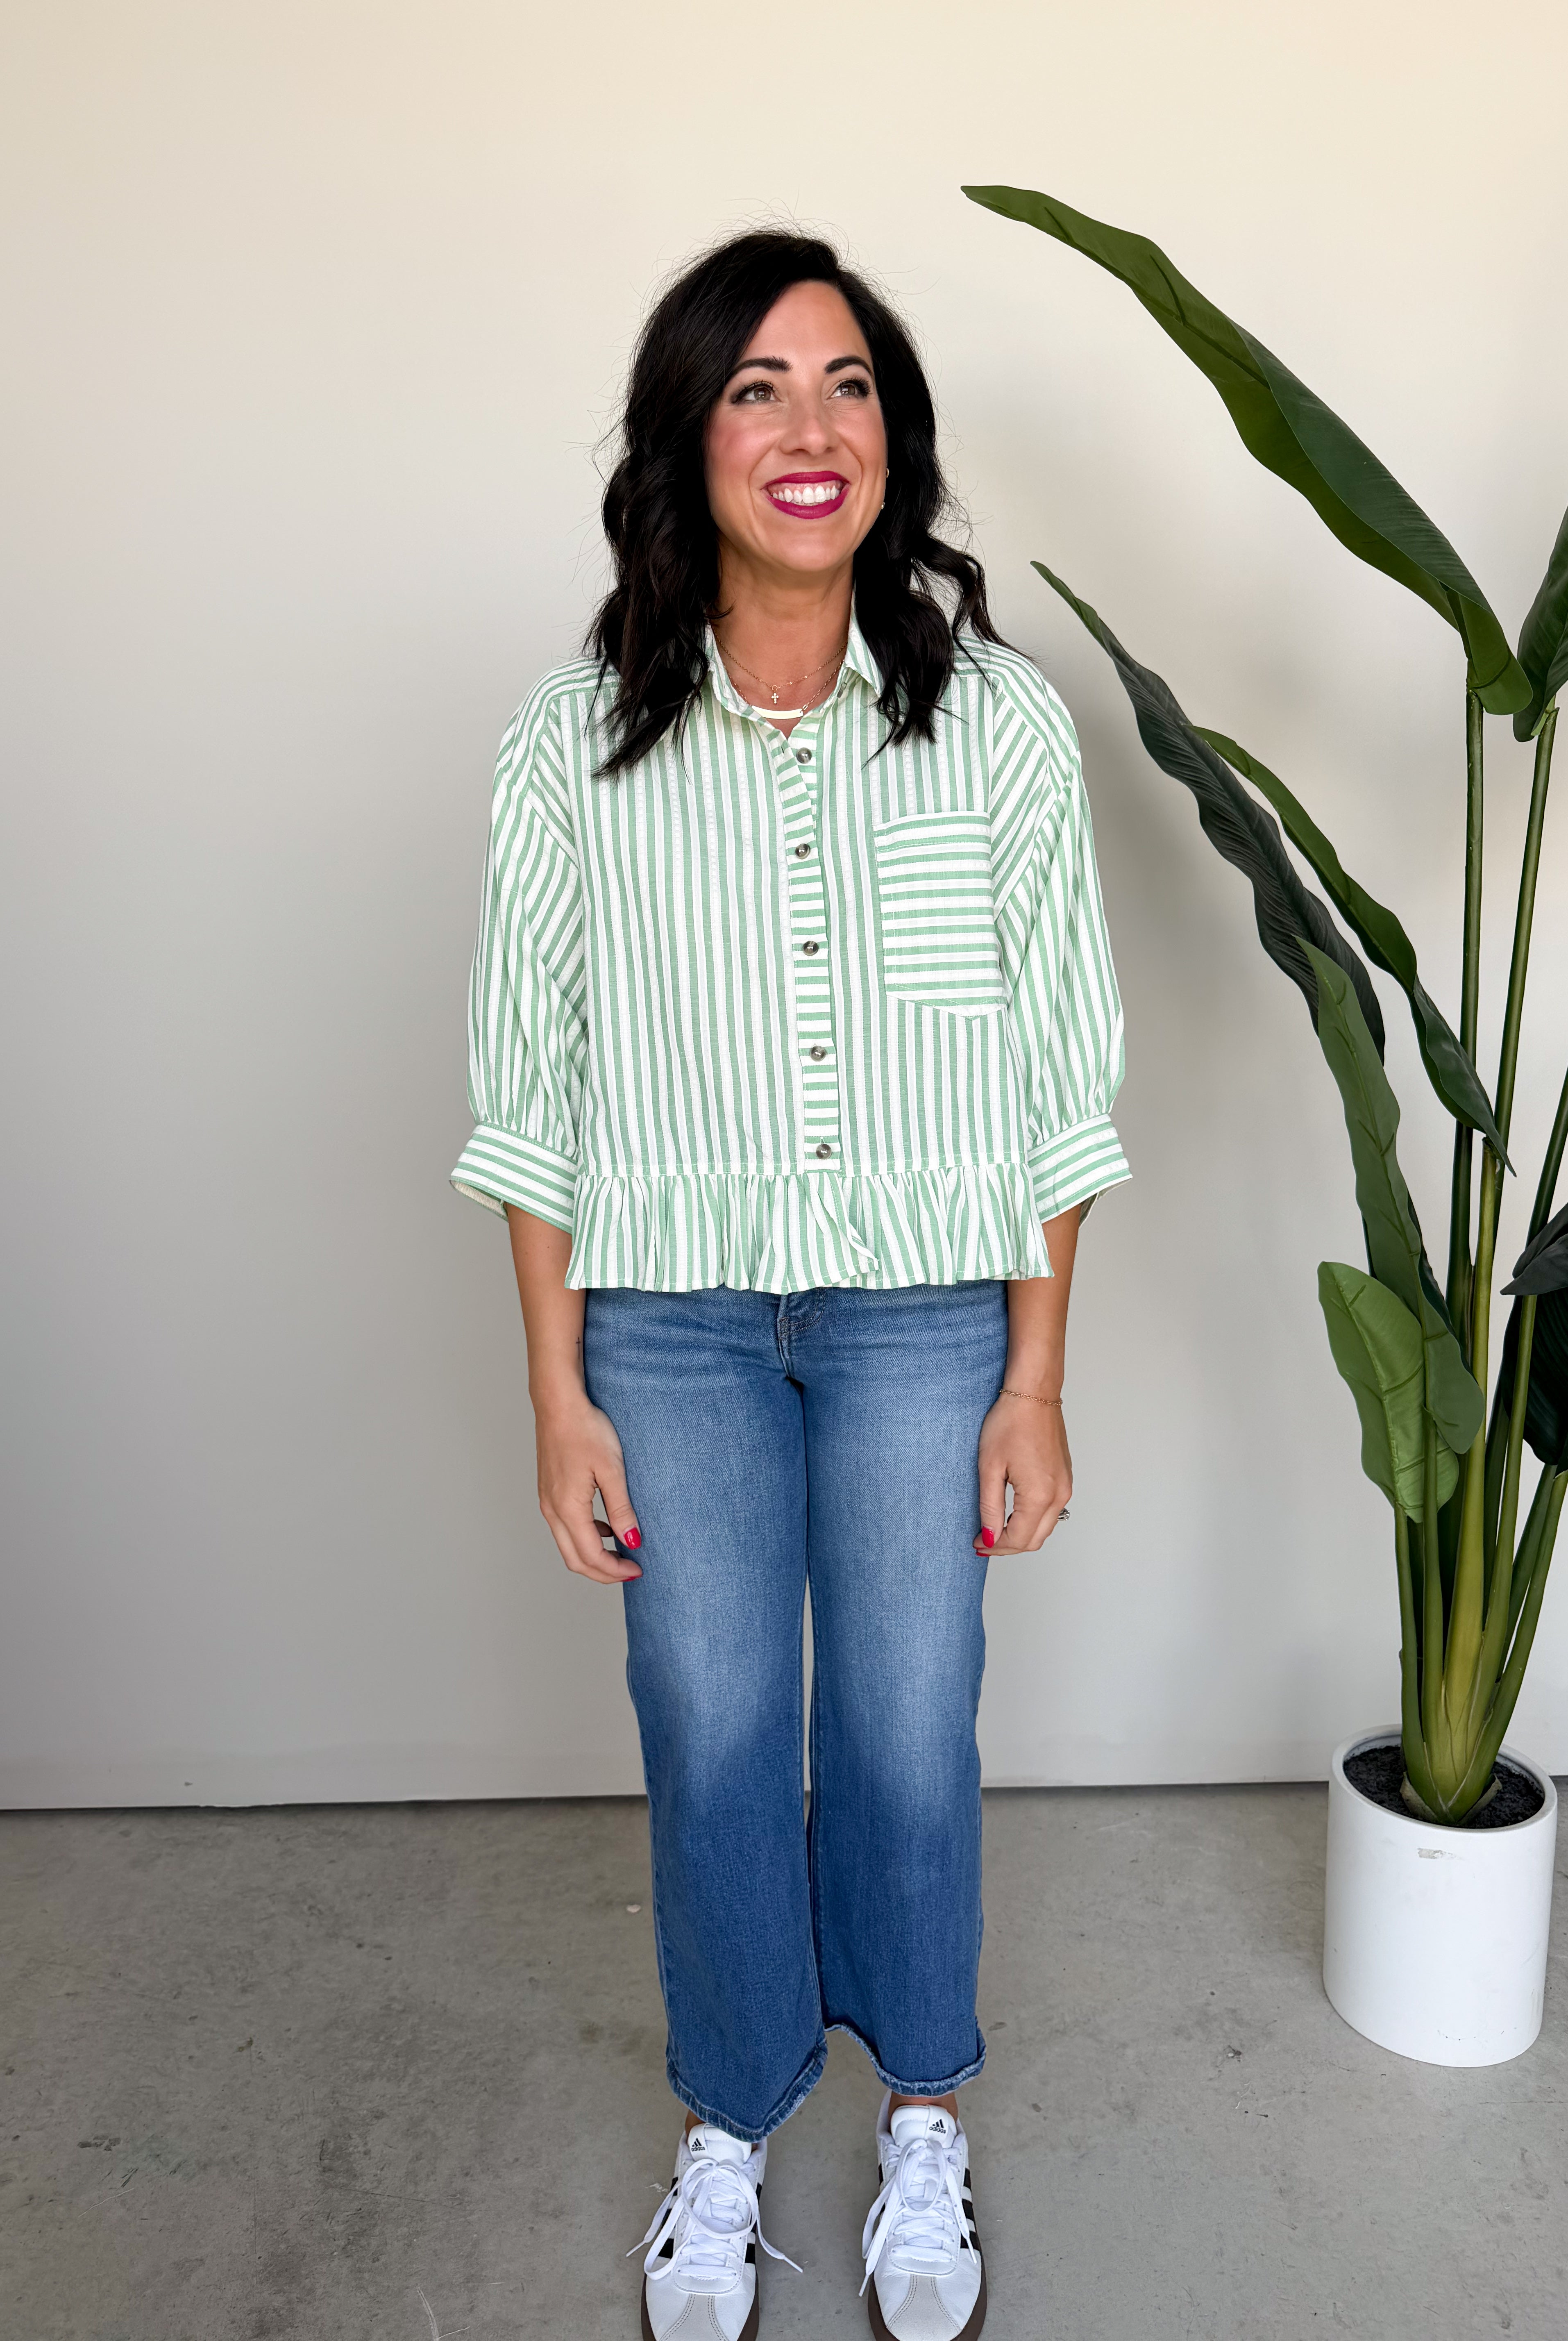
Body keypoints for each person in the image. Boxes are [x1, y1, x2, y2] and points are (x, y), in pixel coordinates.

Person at [452, 229, 1128, 2341]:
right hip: (665, 1328)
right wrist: (558, 1394)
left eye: (846, 386)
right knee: (715, 1727)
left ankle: (922, 2112)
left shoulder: (998, 730)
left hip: (930, 1317)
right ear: (689, 439)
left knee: (913, 1725)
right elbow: (530, 1093)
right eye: (755, 387)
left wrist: (1035, 1375)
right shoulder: (571, 743)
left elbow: (1059, 1081)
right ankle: (734, 2119)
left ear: (892, 442)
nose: (808, 427)